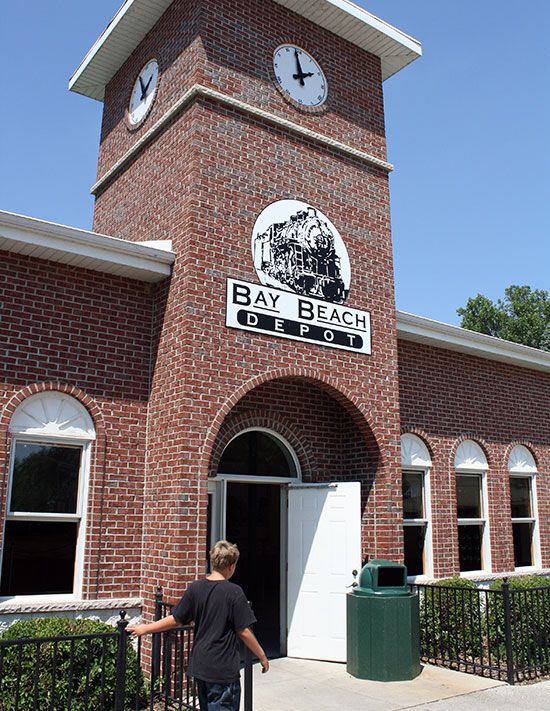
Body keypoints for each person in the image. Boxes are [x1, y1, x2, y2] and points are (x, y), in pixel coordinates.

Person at [127, 540, 269, 711]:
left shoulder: (196, 588)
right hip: (222, 670)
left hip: (200, 666)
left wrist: (145, 628)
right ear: (231, 566)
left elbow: (175, 619)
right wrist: (261, 656)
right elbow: (244, 631)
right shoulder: (234, 592)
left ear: (211, 562)